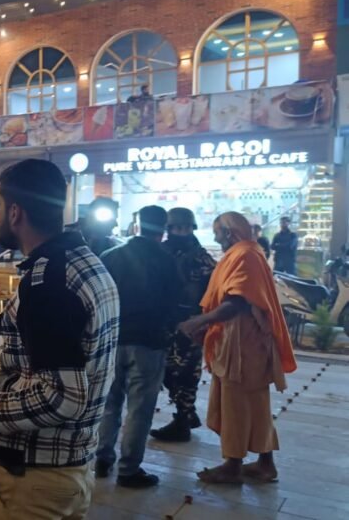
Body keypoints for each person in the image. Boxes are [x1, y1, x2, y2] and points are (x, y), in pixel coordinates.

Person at [0, 159, 119, 519]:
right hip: (68, 471)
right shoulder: (85, 262)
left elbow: (63, 397)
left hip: (35, 481)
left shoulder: (47, 284)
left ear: (15, 212)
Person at [179, 212, 297, 485]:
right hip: (241, 341)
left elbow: (237, 302)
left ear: (229, 232)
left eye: (218, 233)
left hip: (242, 345)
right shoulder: (245, 253)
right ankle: (265, 464)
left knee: (236, 405)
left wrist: (200, 321)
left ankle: (232, 466)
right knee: (255, 404)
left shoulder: (245, 255)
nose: (216, 238)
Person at [95, 206, 179, 488]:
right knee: (140, 408)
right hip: (148, 343)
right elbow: (174, 304)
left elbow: (98, 298)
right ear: (163, 229)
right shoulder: (167, 261)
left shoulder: (111, 256)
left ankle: (101, 458)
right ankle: (129, 469)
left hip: (112, 340)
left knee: (109, 403)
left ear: (138, 225)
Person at [151, 208, 218, 443]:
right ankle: (186, 413)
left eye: (187, 228)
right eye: (178, 228)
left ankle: (183, 419)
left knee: (187, 372)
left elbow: (214, 288)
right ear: (169, 229)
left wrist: (203, 319)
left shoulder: (201, 256)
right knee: (165, 371)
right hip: (164, 321)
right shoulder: (160, 252)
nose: (183, 232)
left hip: (191, 322)